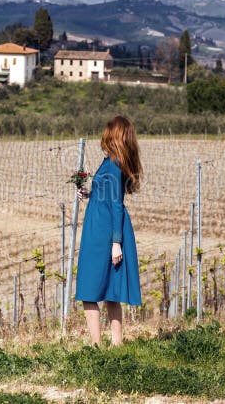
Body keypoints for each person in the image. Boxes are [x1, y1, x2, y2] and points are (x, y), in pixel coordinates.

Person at [75, 115, 143, 346]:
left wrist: (116, 242)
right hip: (100, 227)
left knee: (88, 290)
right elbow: (107, 197)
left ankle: (97, 345)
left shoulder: (113, 166)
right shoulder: (110, 162)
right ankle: (116, 344)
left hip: (102, 233)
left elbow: (116, 205)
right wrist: (90, 194)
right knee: (109, 291)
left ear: (113, 136)